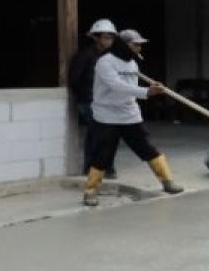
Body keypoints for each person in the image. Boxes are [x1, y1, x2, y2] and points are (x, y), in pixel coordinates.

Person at [83, 29, 184, 206]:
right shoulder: (105, 62)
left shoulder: (132, 64)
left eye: (140, 45)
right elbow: (116, 86)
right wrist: (146, 92)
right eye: (135, 44)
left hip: (129, 113)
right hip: (107, 115)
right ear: (123, 44)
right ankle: (90, 191)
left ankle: (167, 181)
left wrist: (150, 88)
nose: (138, 48)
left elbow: (130, 87)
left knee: (147, 148)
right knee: (102, 155)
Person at [67, 19, 118, 179]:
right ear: (95, 37)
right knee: (102, 133)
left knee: (99, 134)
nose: (109, 40)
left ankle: (96, 167)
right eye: (105, 37)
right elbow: (75, 79)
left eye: (111, 37)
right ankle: (99, 167)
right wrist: (84, 97)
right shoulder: (86, 55)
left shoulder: (111, 57)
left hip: (105, 102)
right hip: (89, 101)